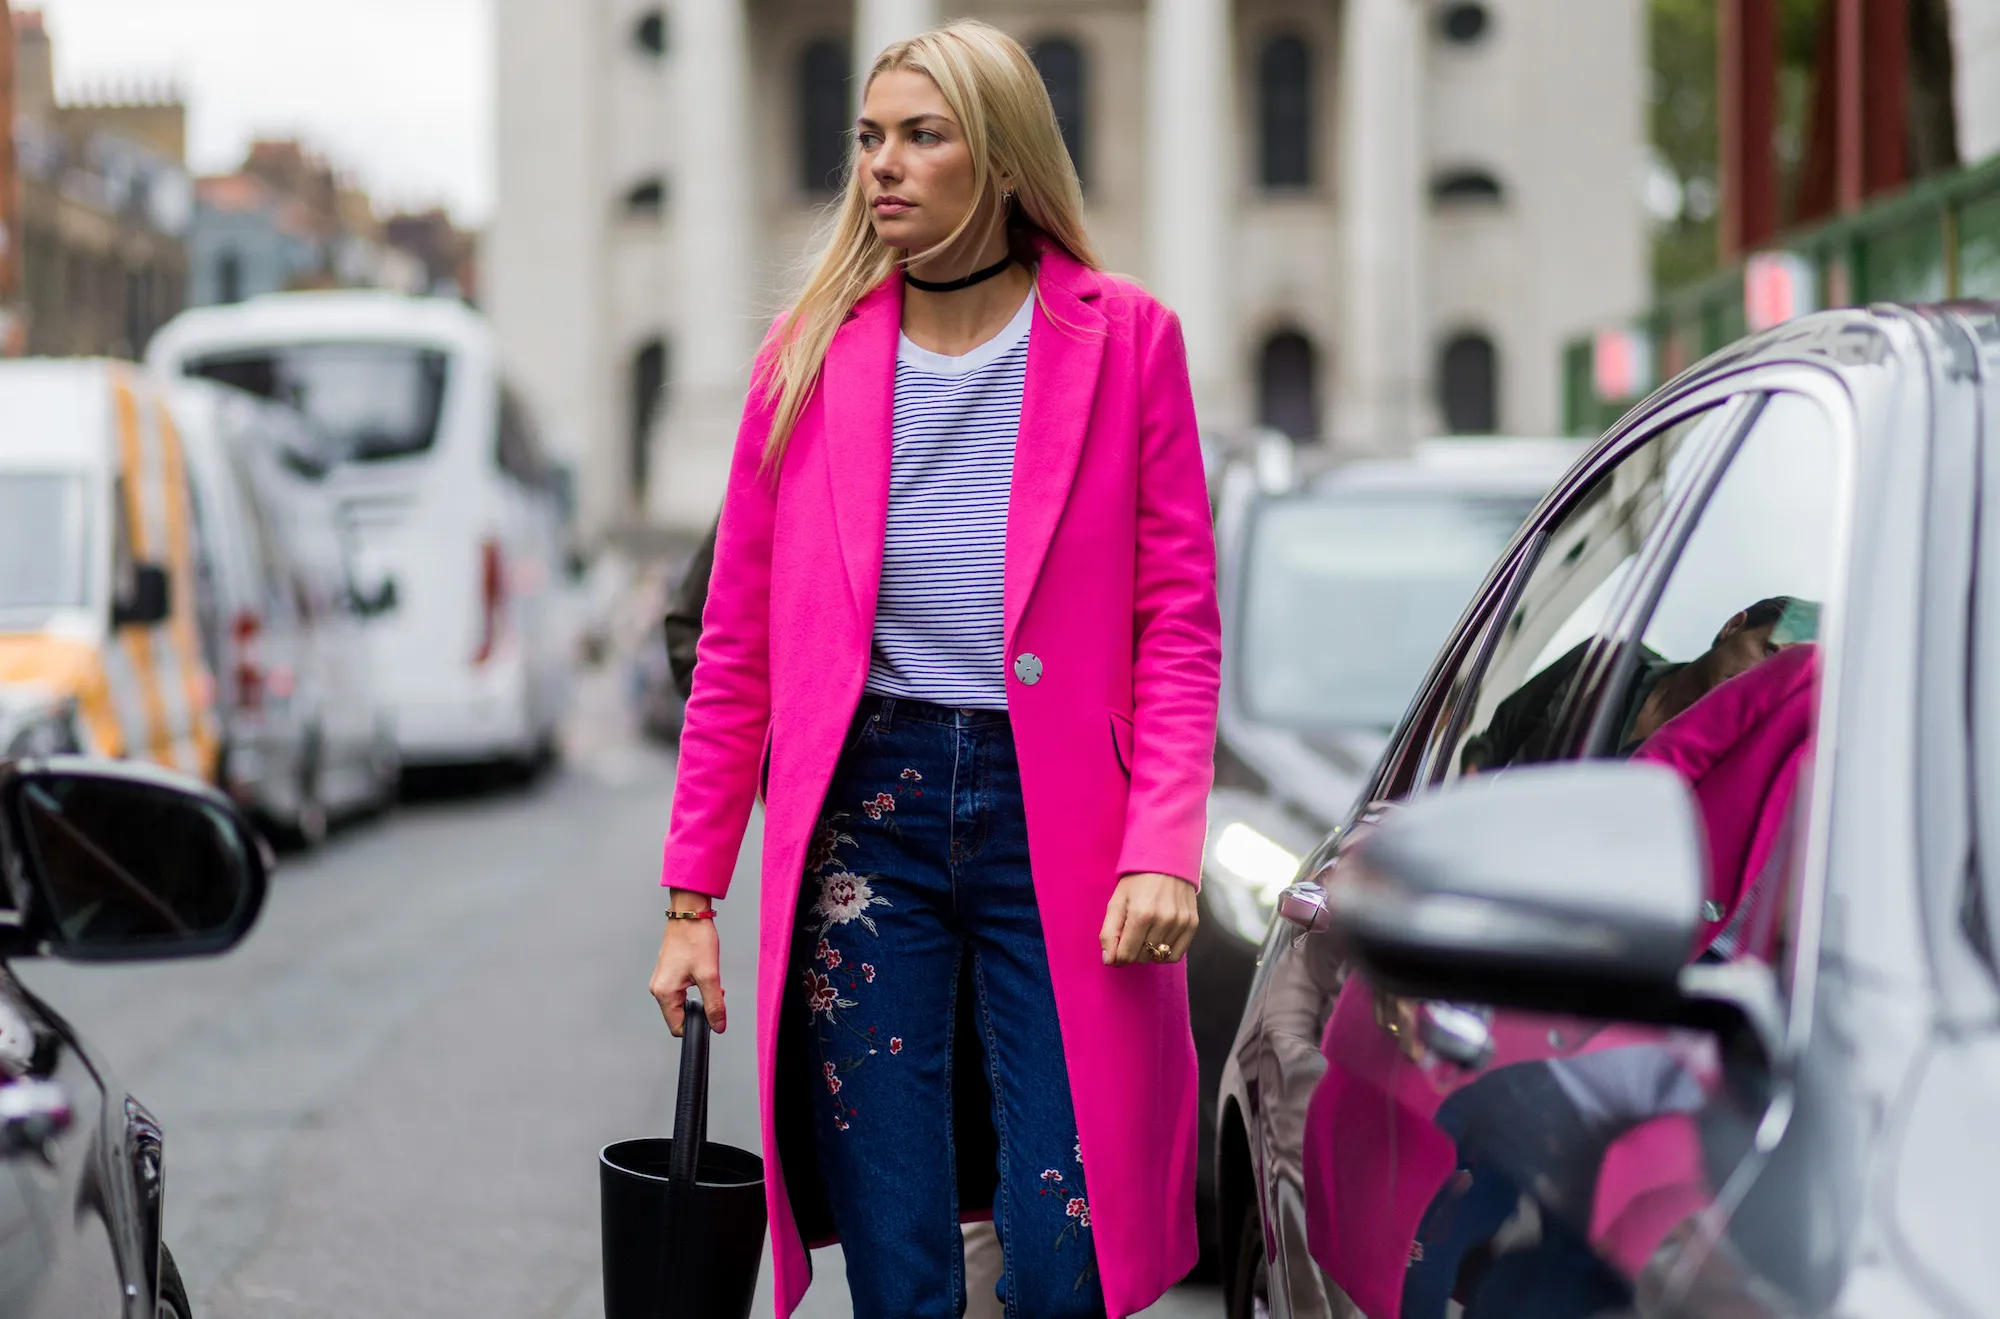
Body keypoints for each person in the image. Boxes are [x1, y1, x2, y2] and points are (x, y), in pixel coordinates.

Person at [646, 21, 1220, 1319]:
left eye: (921, 135)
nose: (882, 167)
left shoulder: (1129, 342)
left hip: (1062, 826)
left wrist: (1163, 842)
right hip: (872, 825)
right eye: (869, 138)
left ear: (1005, 158)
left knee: (1065, 1245)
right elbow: (736, 645)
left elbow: (1177, 619)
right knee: (898, 1261)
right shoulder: (802, 355)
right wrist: (693, 895)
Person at [1461, 596, 1820, 773]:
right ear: (1732, 626)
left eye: (1777, 678)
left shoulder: (1712, 768)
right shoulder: (1601, 662)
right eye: (1767, 651)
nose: (1757, 678)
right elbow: (1492, 741)